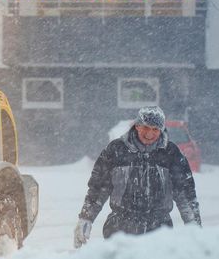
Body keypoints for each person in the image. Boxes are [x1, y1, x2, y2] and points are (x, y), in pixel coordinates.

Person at [74, 106, 201, 248]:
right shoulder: (116, 150)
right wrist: (86, 218)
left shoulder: (171, 154)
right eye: (146, 128)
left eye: (155, 129)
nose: (150, 134)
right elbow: (98, 188)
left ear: (161, 130)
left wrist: (194, 227)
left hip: (159, 231)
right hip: (119, 231)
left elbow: (185, 193)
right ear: (137, 126)